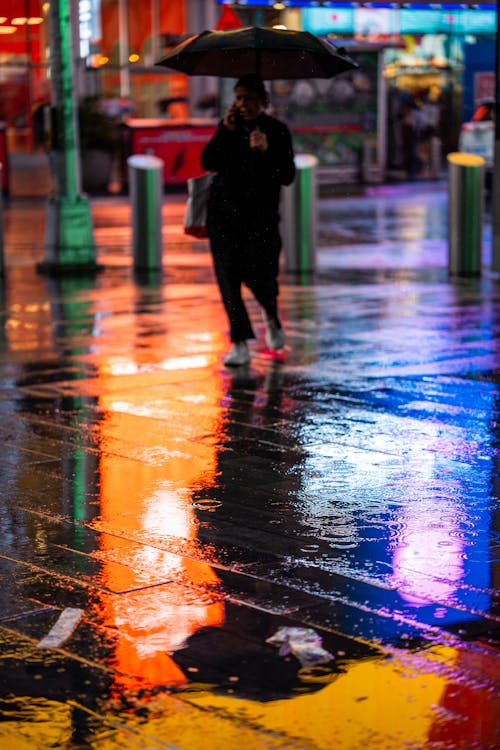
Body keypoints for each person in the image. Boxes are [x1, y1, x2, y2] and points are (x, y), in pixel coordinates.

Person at [201, 75, 296, 367]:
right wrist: (225, 133)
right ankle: (239, 342)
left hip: (261, 220)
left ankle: (270, 314)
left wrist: (266, 151)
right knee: (228, 280)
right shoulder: (228, 127)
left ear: (263, 102)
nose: (243, 104)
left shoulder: (276, 131)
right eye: (239, 97)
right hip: (224, 218)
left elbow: (287, 175)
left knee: (260, 276)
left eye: (249, 98)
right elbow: (208, 162)